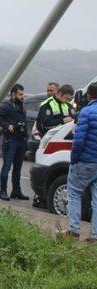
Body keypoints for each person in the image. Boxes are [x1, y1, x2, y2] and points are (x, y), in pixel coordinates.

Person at [62, 82, 97, 241]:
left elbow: (79, 140)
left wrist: (74, 159)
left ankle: (74, 231)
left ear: (89, 95)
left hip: (85, 161)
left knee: (74, 193)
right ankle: (95, 236)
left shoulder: (86, 112)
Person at [0, 84, 30, 201]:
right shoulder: (7, 105)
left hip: (21, 141)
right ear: (13, 94)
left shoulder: (21, 106)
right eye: (20, 94)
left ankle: (16, 191)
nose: (22, 96)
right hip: (10, 141)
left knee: (18, 168)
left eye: (23, 94)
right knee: (7, 167)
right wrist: (7, 125)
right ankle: (2, 191)